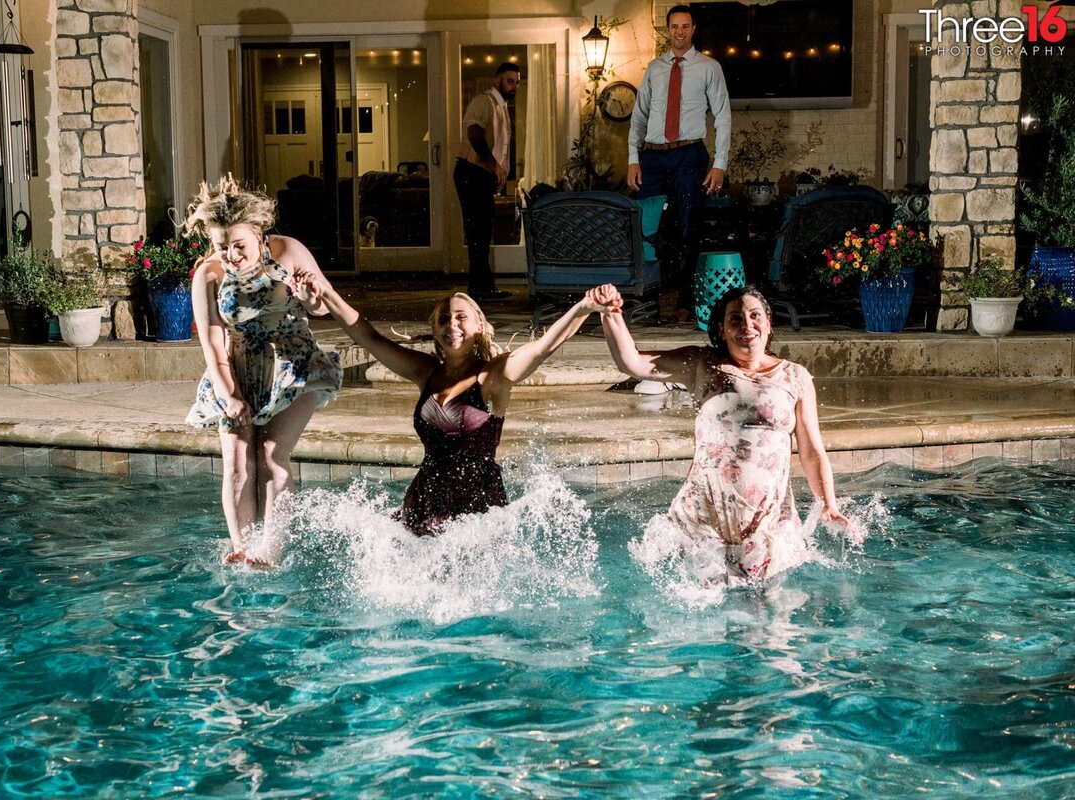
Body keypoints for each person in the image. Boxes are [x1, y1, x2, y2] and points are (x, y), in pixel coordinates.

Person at [293, 271, 616, 535]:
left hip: (476, 501)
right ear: (434, 328)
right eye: (444, 319)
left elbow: (543, 347)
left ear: (479, 325)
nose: (452, 325)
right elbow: (371, 338)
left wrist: (584, 308)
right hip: (426, 494)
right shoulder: (426, 371)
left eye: (461, 317)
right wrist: (327, 293)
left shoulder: (493, 376)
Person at [596, 283, 849, 581]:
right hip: (705, 518)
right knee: (703, 615)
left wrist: (828, 504)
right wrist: (610, 313)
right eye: (736, 319)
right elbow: (633, 362)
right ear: (722, 328)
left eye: (755, 316)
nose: (747, 325)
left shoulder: (795, 377)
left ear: (769, 324)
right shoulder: (702, 364)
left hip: (765, 523)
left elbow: (811, 451)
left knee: (769, 618)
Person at [183, 175, 343, 566]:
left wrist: (310, 299)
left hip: (293, 365)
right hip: (236, 368)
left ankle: (270, 551)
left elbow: (324, 307)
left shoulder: (288, 252)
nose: (232, 256)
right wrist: (229, 394)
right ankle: (242, 547)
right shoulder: (208, 275)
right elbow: (212, 344)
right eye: (223, 247)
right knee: (239, 461)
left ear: (258, 233)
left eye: (239, 245)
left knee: (271, 454)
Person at [627, 4, 732, 319]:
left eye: (685, 26)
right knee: (647, 228)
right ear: (667, 30)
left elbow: (723, 116)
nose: (680, 32)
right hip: (653, 156)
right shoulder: (654, 68)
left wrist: (720, 163)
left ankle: (685, 302)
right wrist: (634, 159)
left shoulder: (709, 67)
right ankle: (648, 301)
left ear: (693, 29)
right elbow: (639, 116)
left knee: (688, 227)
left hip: (689, 153)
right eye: (674, 26)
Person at [453, 61, 522, 301]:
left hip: (481, 174)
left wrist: (499, 172)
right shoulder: (485, 101)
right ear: (497, 81)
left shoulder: (501, 106)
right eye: (509, 81)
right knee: (478, 231)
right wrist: (493, 166)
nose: (514, 87)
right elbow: (474, 133)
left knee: (483, 231)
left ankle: (484, 287)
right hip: (471, 172)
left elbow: (500, 144)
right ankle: (479, 288)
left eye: (517, 83)